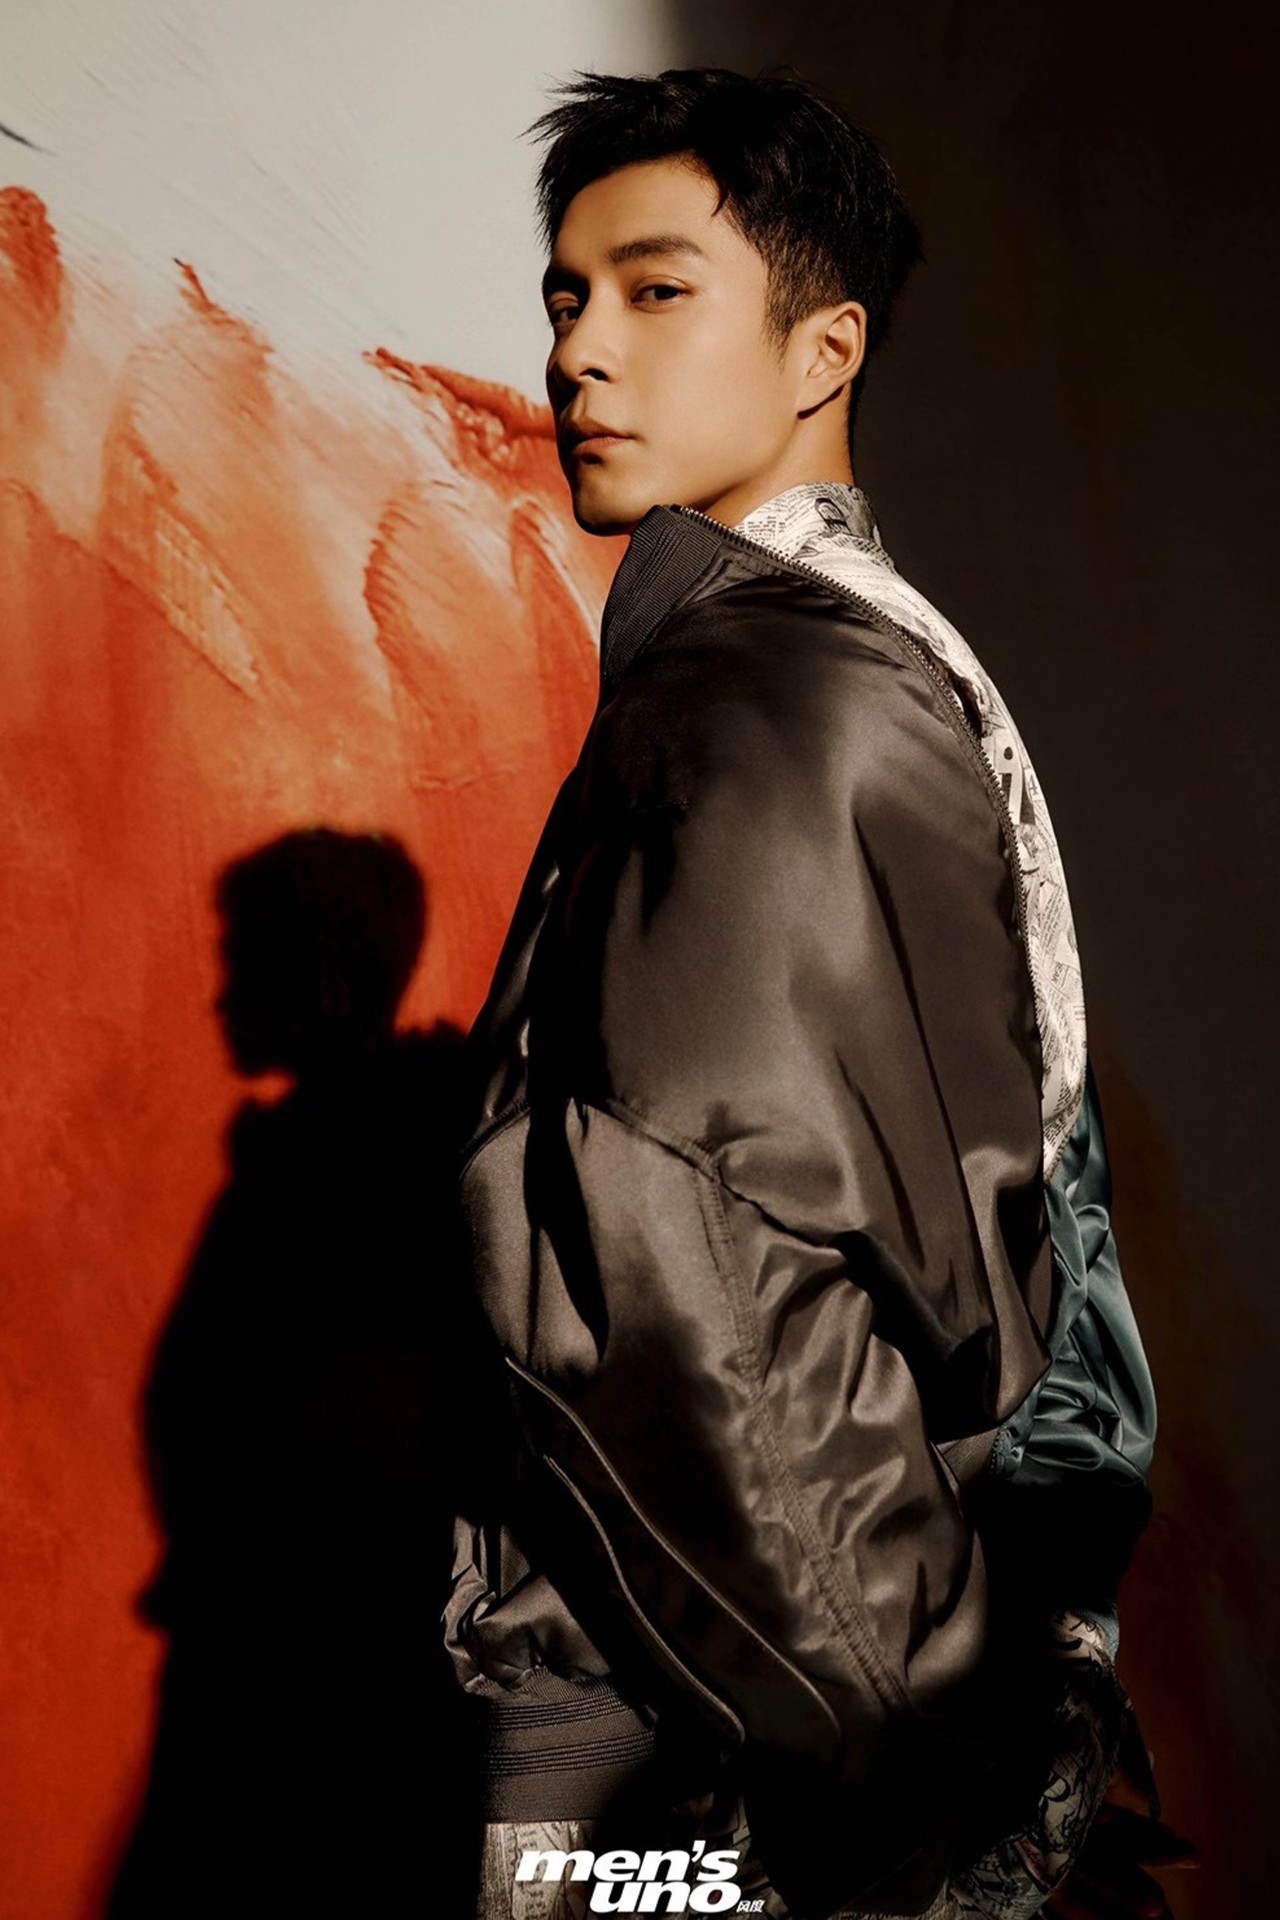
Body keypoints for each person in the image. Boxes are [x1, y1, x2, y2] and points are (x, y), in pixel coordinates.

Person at [445, 65, 1194, 1920]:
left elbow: (696, 1263)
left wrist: (922, 1769)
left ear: (823, 348)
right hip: (809, 1707)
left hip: (746, 1763)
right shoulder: (858, 665)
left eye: (656, 289)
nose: (578, 352)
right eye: (566, 295)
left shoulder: (766, 692)